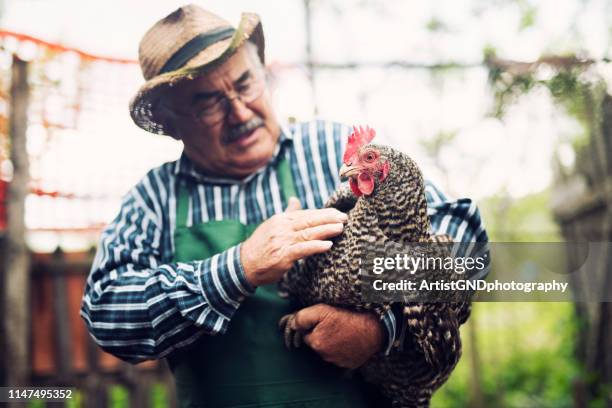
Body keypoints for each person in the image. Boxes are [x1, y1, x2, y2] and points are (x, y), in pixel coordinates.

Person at [80, 5, 489, 407]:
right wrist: (236, 268)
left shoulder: (332, 151)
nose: (239, 112)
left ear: (264, 72)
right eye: (208, 103)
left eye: (245, 84)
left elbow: (465, 240)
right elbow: (107, 315)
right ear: (170, 122)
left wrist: (382, 327)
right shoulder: (155, 198)